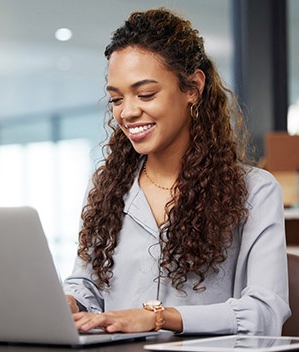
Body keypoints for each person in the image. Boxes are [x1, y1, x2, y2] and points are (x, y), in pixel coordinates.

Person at [62, 8, 290, 336]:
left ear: (193, 88)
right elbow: (87, 287)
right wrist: (70, 302)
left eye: (146, 94)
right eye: (116, 98)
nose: (127, 112)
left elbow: (265, 312)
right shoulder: (107, 186)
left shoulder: (254, 190)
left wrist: (160, 317)